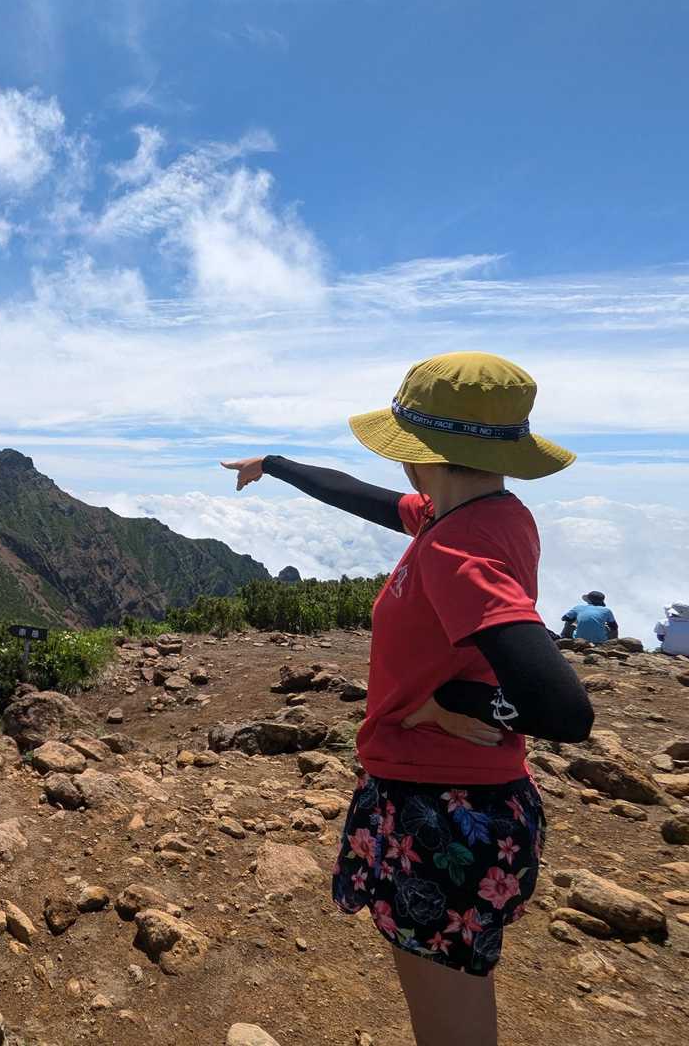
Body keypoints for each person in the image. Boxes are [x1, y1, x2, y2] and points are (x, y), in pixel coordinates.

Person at [222, 351, 593, 1046]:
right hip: (465, 803)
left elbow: (565, 712)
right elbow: (360, 496)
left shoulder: (458, 552)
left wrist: (450, 704)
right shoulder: (487, 514)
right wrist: (274, 464)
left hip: (441, 818)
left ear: (419, 451)